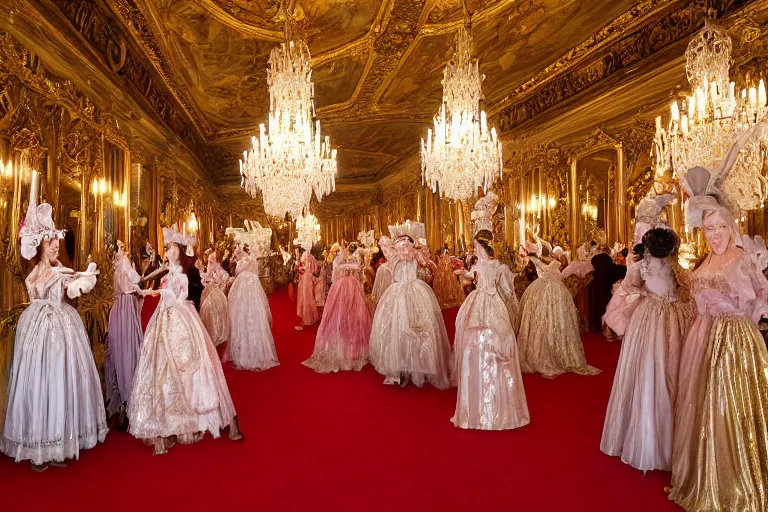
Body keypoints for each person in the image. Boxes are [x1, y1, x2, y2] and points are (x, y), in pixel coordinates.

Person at [669, 143, 768, 511]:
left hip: (736, 342)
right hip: (704, 338)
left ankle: (737, 476)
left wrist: (747, 320)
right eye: (708, 229)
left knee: (732, 407)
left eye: (719, 228)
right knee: (705, 407)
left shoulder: (742, 259)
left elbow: (762, 296)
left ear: (730, 226)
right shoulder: (706, 262)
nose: (714, 235)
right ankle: (707, 472)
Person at [1, 198, 106, 470]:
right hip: (37, 331)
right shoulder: (35, 272)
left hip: (61, 329)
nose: (56, 248)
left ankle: (58, 443)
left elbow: (75, 280)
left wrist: (81, 280)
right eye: (51, 244)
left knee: (60, 380)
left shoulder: (61, 270)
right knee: (38, 383)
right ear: (41, 247)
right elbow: (36, 285)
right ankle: (38, 442)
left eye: (57, 244)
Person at [129, 227, 242, 455]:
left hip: (179, 316)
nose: (167, 251)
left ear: (179, 252)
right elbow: (153, 281)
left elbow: (178, 296)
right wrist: (147, 288)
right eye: (167, 247)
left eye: (171, 247)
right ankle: (168, 418)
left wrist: (155, 293)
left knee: (187, 362)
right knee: (161, 365)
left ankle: (188, 414)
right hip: (165, 316)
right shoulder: (168, 270)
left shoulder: (180, 273)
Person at [600, 228, 693, 473]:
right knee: (667, 371)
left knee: (651, 370)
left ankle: (652, 439)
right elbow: (687, 290)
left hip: (652, 318)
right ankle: (664, 440)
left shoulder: (643, 268)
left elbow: (627, 290)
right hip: (670, 319)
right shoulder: (674, 267)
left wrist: (644, 295)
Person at [451, 229, 529, 430]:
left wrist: (464, 275)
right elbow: (496, 286)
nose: (474, 247)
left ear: (480, 245)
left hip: (486, 305)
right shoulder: (487, 265)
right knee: (481, 346)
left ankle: (489, 406)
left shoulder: (492, 266)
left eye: (475, 244)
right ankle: (488, 405)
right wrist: (463, 274)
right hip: (486, 304)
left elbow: (501, 287)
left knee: (488, 346)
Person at [369, 221, 453, 389]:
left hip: (402, 291)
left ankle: (408, 366)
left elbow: (427, 268)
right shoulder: (414, 255)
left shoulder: (397, 257)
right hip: (411, 291)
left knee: (404, 329)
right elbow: (428, 268)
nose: (404, 248)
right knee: (407, 329)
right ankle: (410, 366)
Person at [517, 237, 600, 378]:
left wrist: (536, 247)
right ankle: (554, 352)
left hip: (548, 291)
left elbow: (545, 259)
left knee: (549, 321)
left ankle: (552, 354)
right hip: (554, 291)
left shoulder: (539, 259)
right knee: (551, 321)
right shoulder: (547, 260)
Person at [303, 242, 371, 373]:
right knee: (347, 317)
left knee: (341, 317)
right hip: (352, 289)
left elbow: (334, 276)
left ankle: (346, 349)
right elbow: (360, 277)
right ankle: (351, 350)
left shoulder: (339, 261)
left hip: (341, 289)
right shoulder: (356, 261)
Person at [228, 225, 278, 372]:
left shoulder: (246, 260)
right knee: (249, 317)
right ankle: (252, 352)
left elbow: (237, 271)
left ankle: (249, 354)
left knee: (245, 317)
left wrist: (236, 260)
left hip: (246, 288)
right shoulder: (251, 259)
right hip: (250, 288)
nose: (236, 247)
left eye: (238, 245)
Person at [105, 240, 144, 427]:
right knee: (129, 349)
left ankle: (119, 399)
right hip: (127, 306)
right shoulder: (125, 262)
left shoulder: (114, 265)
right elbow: (136, 279)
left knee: (119, 349)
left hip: (117, 307)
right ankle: (129, 399)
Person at [200, 248, 231, 355]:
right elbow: (204, 281)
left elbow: (223, 286)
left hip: (217, 298)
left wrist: (219, 283)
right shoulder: (209, 270)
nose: (209, 263)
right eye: (209, 261)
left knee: (216, 321)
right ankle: (210, 343)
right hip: (208, 298)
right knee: (207, 319)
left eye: (212, 260)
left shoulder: (222, 272)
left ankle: (216, 343)